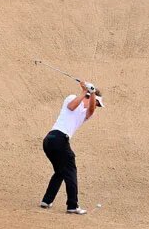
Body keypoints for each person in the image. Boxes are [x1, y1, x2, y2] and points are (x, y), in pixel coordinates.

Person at [40, 81, 104, 214]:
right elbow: (71, 107)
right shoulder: (72, 98)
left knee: (60, 171)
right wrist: (84, 92)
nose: (95, 106)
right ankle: (72, 206)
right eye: (96, 103)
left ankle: (46, 200)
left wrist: (91, 93)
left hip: (51, 141)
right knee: (70, 170)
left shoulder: (86, 114)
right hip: (56, 138)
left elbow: (90, 110)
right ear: (87, 97)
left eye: (96, 104)